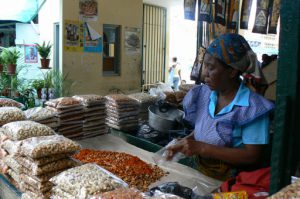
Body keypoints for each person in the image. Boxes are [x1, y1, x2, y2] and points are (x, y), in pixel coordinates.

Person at [166, 33, 275, 181]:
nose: (205, 74)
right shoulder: (203, 95)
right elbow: (204, 131)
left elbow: (251, 156)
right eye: (205, 66)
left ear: (232, 72)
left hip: (233, 182)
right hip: (201, 174)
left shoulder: (252, 108)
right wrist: (185, 142)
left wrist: (202, 148)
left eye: (211, 68)